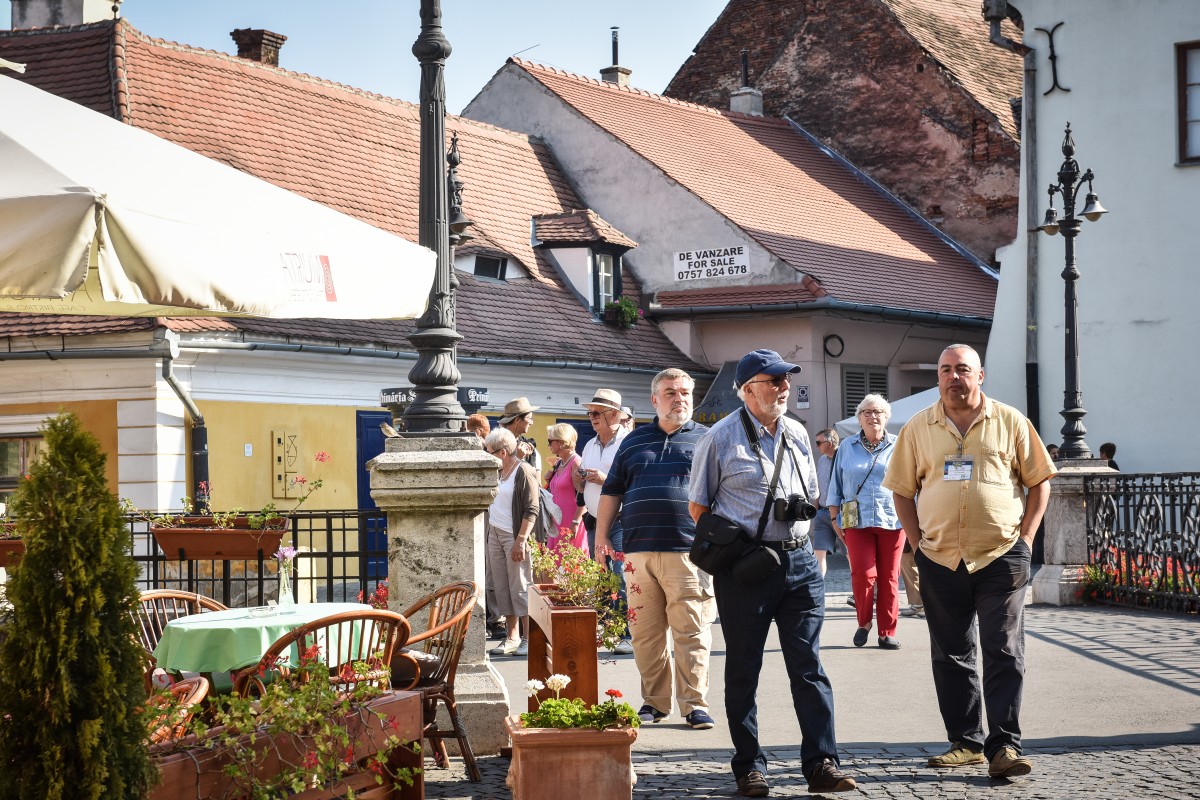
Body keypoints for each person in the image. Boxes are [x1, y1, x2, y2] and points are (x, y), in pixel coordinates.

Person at [883, 344, 1056, 779]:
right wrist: (918, 542)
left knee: (1003, 649)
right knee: (951, 653)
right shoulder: (919, 427)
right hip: (940, 557)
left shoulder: (1011, 420)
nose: (953, 377)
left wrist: (1028, 539)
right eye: (945, 370)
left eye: (963, 369)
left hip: (1001, 556)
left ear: (981, 375)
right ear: (937, 377)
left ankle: (1005, 745)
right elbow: (902, 490)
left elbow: (1040, 482)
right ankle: (965, 742)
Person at [689, 349, 855, 796]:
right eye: (774, 380)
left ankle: (822, 762)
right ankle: (749, 766)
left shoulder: (799, 432)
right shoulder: (719, 438)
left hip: (800, 561)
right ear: (747, 390)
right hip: (747, 567)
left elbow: (812, 496)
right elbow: (698, 507)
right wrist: (742, 543)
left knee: (809, 667)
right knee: (744, 668)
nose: (784, 387)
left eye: (786, 379)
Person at [595, 369, 715, 730]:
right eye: (670, 392)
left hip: (689, 552)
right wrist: (601, 537)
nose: (679, 398)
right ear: (654, 400)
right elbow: (611, 491)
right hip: (637, 552)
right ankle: (655, 702)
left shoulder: (708, 440)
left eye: (684, 393)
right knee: (645, 635)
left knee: (691, 631)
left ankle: (694, 704)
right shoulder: (632, 443)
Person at [828, 394, 906, 649]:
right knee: (862, 574)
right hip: (856, 520)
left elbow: (910, 483)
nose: (873, 416)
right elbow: (835, 484)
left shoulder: (900, 445)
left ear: (887, 417)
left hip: (893, 519)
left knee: (890, 577)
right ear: (859, 418)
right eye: (867, 412)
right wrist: (832, 515)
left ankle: (886, 631)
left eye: (878, 412)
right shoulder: (846, 448)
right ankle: (864, 622)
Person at [573, 387, 634, 655]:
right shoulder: (589, 444)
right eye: (589, 413)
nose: (591, 417)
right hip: (595, 520)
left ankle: (627, 633)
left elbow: (632, 483)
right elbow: (584, 483)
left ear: (614, 415)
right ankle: (611, 627)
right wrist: (581, 479)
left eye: (597, 412)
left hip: (621, 520)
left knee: (620, 576)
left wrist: (603, 478)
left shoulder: (628, 443)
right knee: (602, 576)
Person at [483, 427, 540, 658]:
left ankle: (529, 638)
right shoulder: (498, 473)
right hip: (495, 534)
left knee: (520, 586)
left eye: (491, 453)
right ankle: (511, 636)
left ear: (503, 452)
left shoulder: (523, 471)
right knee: (502, 587)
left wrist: (521, 540)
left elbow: (531, 509)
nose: (489, 457)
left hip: (514, 535)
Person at [544, 423, 588, 557]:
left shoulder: (576, 463)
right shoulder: (560, 463)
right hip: (557, 522)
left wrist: (575, 522)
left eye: (550, 441)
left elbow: (583, 495)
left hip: (570, 522)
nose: (548, 444)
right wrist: (550, 481)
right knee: (555, 568)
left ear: (562, 442)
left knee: (570, 566)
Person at [811, 428, 840, 576]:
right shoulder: (822, 460)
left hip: (842, 514)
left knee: (851, 554)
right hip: (822, 513)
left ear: (829, 443)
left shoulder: (844, 457)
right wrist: (814, 512)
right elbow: (818, 486)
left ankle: (858, 593)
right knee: (818, 553)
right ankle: (817, 589)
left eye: (818, 443)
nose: (816, 446)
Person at [498, 397, 541, 478]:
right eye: (530, 418)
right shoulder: (498, 443)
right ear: (517, 420)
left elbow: (533, 478)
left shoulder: (525, 444)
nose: (531, 423)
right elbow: (499, 476)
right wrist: (518, 457)